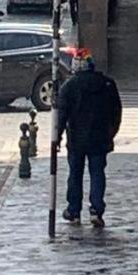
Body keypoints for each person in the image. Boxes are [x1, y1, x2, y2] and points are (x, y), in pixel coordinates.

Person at [56, 51, 122, 229]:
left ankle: (74, 210)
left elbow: (62, 114)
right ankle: (96, 210)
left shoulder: (69, 86)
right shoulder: (107, 84)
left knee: (75, 174)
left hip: (77, 138)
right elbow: (116, 111)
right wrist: (111, 133)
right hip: (100, 137)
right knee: (97, 173)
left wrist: (57, 136)